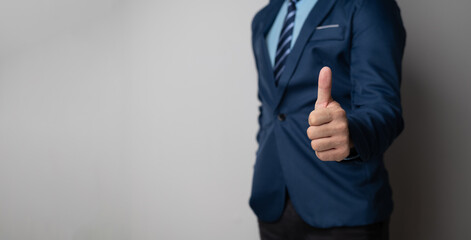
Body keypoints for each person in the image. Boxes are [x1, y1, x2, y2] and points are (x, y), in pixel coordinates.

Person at [248, 0, 406, 239]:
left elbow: (383, 106)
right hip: (272, 204)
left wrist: (351, 134)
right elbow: (270, 108)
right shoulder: (263, 18)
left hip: (344, 205)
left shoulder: (367, 6)